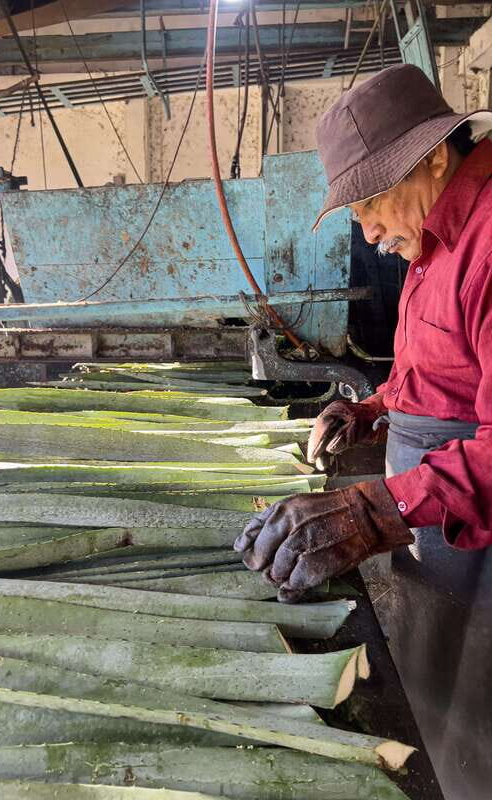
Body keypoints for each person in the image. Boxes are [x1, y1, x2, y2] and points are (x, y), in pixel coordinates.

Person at [233, 63, 492, 799]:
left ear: (434, 155)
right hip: (431, 534)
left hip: (479, 549)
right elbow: (440, 371)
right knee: (436, 705)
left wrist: (375, 509)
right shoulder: (433, 232)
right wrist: (372, 409)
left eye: (373, 200)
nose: (370, 231)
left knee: (478, 729)